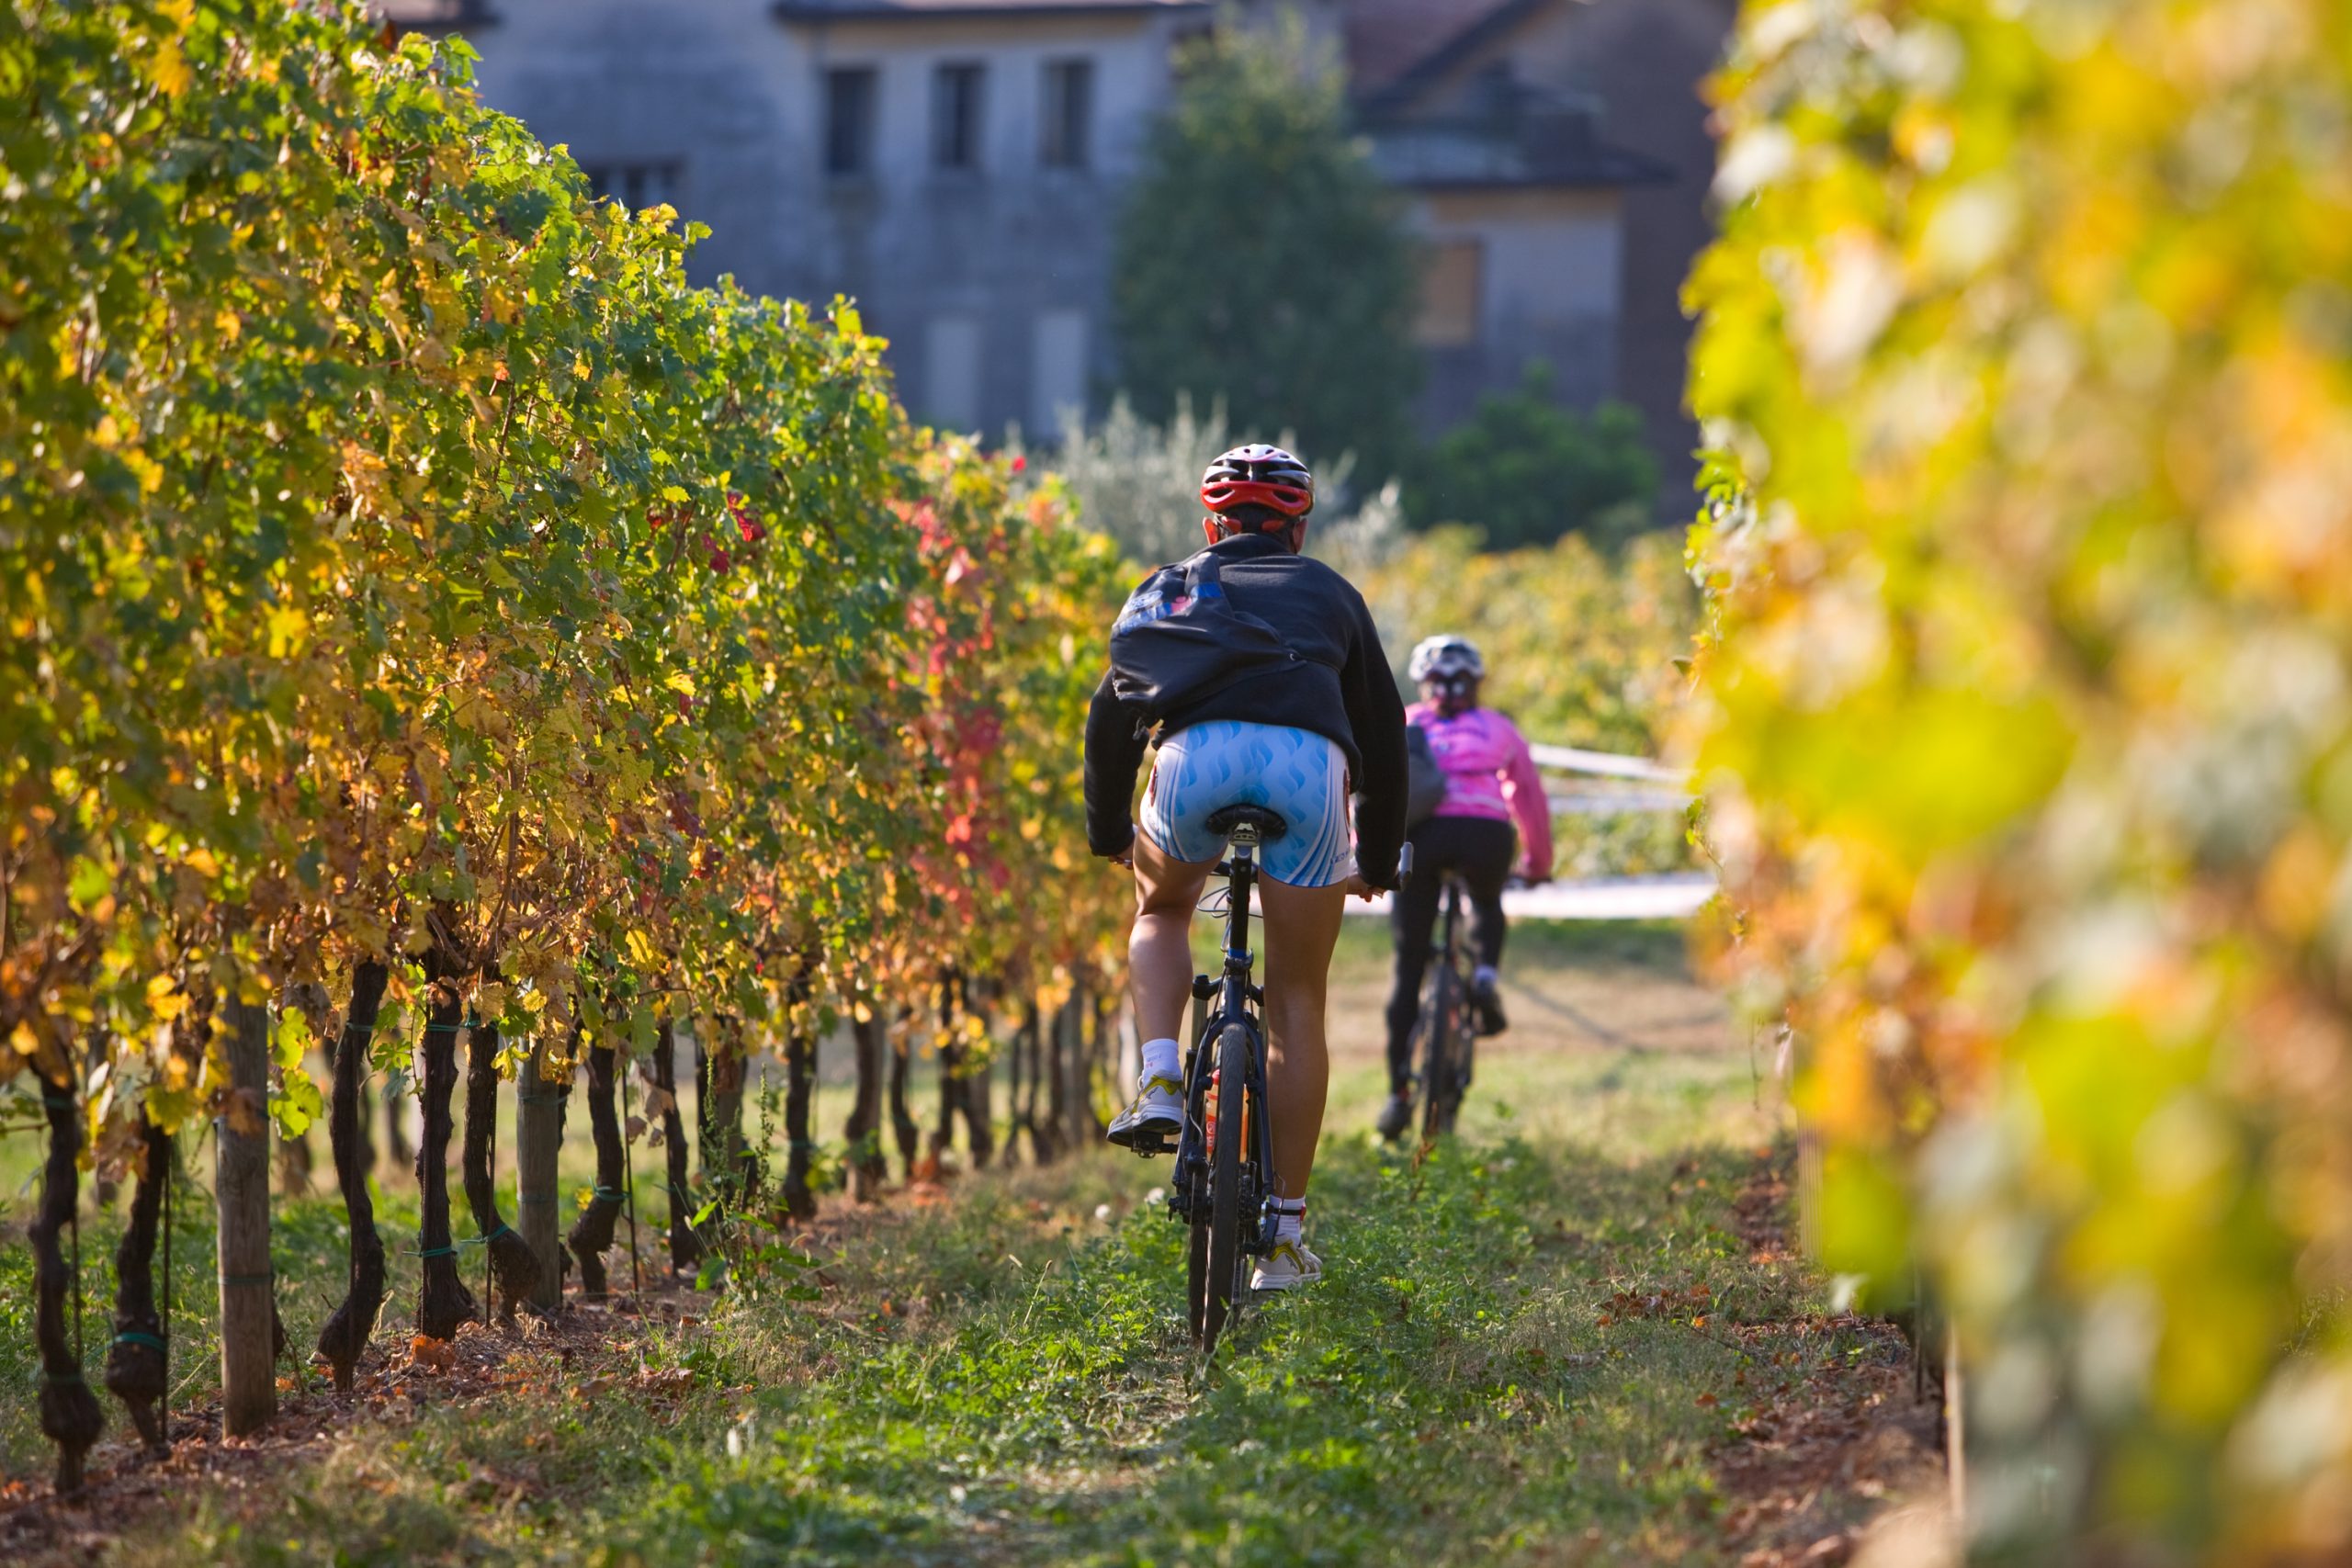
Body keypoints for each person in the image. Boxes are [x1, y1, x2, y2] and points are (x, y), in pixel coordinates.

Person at [1084, 444, 1408, 1291]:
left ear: (1211, 523)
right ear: (1298, 528)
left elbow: (1110, 715)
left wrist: (1110, 832)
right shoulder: (1334, 595)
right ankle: (1286, 1241)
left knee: (1160, 912)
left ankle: (1158, 1073)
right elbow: (1385, 734)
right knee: (1298, 1000)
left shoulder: (1171, 586)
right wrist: (1375, 858)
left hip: (1195, 761)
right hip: (1310, 769)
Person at [1375, 635, 1553, 1142]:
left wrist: (1369, 853)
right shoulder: (1499, 727)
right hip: (1486, 833)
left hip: (1423, 837)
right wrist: (1538, 863)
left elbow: (1378, 787)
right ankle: (1485, 975)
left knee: (1409, 964)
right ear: (1476, 681)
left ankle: (1396, 1095)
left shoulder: (1408, 721)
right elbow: (1529, 796)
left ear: (1424, 683)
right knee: (1487, 901)